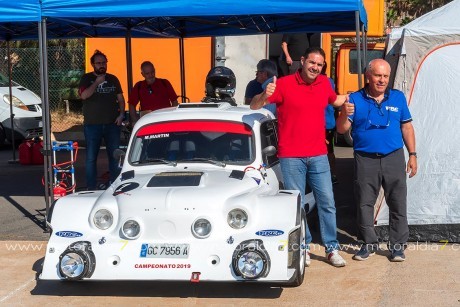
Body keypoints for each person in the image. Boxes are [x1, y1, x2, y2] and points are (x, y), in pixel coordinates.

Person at [250, 46, 348, 267]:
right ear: (302, 61)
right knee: (298, 205)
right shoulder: (282, 84)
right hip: (291, 156)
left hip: (319, 155)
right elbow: (254, 105)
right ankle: (304, 247)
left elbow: (336, 100)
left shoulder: (325, 83)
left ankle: (332, 248)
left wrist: (357, 97)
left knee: (327, 202)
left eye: (319, 64)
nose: (315, 67)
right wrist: (264, 94)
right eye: (312, 62)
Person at [336, 58, 417, 262]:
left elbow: (407, 127)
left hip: (394, 157)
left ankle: (397, 247)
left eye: (385, 76)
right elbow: (341, 129)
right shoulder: (355, 98)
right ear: (368, 76)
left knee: (398, 202)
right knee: (364, 203)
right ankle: (367, 244)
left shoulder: (397, 98)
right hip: (365, 159)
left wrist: (413, 155)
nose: (382, 80)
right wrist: (344, 114)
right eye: (378, 75)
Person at [78, 50, 125, 190]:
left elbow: (121, 99)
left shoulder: (113, 79)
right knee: (91, 158)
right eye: (98, 63)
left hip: (112, 124)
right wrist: (97, 83)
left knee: (114, 157)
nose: (102, 65)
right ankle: (91, 187)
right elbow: (84, 96)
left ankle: (115, 185)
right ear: (93, 64)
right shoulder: (86, 78)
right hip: (93, 125)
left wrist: (122, 114)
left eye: (104, 62)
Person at [322, 63, 338, 184]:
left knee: (326, 151)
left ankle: (331, 174)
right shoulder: (330, 81)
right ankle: (332, 174)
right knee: (329, 151)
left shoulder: (325, 82)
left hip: (325, 123)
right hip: (329, 123)